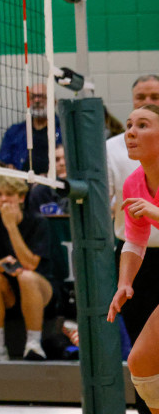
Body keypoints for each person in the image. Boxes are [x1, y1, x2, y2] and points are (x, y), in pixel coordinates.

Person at [108, 75, 159, 408]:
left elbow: (149, 220)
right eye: (129, 125)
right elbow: (135, 239)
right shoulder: (133, 182)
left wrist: (154, 212)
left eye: (143, 125)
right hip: (149, 268)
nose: (130, 131)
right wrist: (125, 283)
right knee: (140, 362)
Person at [0, 174, 52, 361]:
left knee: (26, 276)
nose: (3, 199)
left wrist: (11, 227)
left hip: (41, 290)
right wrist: (4, 265)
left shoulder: (38, 222)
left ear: (21, 197)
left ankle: (34, 344)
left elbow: (30, 264)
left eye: (9, 194)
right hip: (9, 290)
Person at [0, 84, 61, 175]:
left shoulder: (63, 131)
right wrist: (9, 167)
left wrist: (48, 176)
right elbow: (2, 160)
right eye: (33, 97)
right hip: (19, 183)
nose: (37, 100)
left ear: (54, 102)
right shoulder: (15, 131)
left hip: (51, 182)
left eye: (42, 97)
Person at [27, 145, 69, 215]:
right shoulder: (39, 193)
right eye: (57, 159)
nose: (62, 163)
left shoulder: (82, 190)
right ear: (50, 164)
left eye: (65, 158)